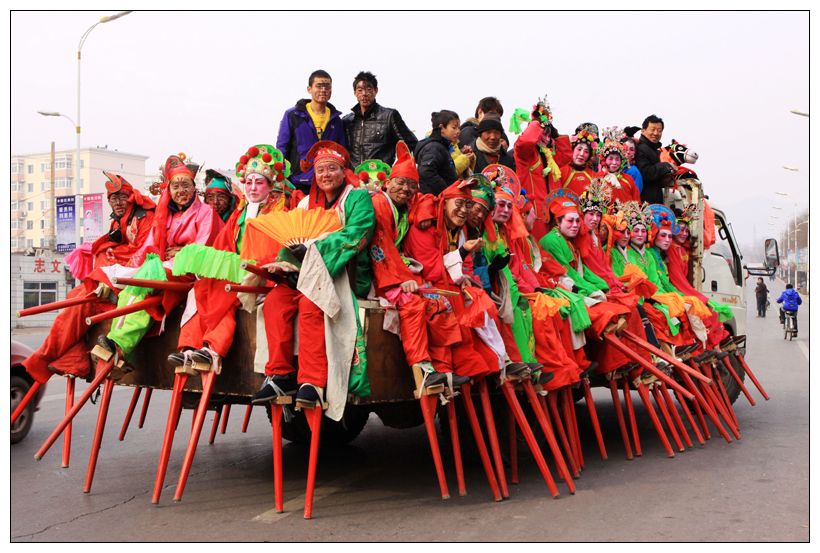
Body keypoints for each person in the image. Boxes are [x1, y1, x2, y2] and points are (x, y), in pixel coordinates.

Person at [253, 141, 375, 411]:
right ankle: (280, 375)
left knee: (311, 305)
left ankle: (311, 381)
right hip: (304, 273)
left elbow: (357, 234)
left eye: (332, 169)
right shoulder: (308, 202)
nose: (326, 175)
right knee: (275, 302)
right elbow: (291, 236)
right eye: (320, 171)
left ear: (343, 171)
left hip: (342, 272)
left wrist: (314, 251)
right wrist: (287, 265)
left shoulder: (358, 198)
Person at [21, 172, 156, 384]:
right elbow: (111, 252)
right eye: (113, 198)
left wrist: (109, 278)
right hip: (110, 284)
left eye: (122, 197)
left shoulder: (145, 217)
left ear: (131, 197)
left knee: (79, 303)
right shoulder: (118, 222)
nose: (118, 203)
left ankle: (42, 359)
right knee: (73, 303)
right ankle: (65, 359)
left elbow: (145, 255)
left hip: (132, 285)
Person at [169, 145, 292, 370]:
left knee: (224, 292)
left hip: (261, 277)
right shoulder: (239, 215)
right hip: (237, 273)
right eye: (249, 182)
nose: (253, 188)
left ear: (270, 184)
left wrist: (247, 267)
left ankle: (214, 349)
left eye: (259, 182)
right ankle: (188, 346)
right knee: (200, 287)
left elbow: (275, 252)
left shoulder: (279, 213)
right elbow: (222, 247)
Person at [95, 154, 224, 366]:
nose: (181, 191)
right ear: (169, 191)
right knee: (132, 286)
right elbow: (149, 247)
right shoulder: (165, 216)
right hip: (163, 269)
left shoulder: (206, 213)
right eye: (175, 186)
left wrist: (181, 253)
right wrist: (127, 273)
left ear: (194, 188)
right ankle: (116, 343)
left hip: (191, 273)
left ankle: (118, 344)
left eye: (185, 185)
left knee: (144, 278)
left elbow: (205, 248)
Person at [276, 69, 346, 194]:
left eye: (327, 86)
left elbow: (342, 151)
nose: (323, 90)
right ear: (309, 89)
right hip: (299, 181)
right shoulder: (293, 115)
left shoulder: (336, 120)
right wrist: (282, 177)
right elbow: (281, 148)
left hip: (328, 183)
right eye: (319, 86)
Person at [512, 97, 572, 240]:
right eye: (541, 132)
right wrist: (536, 123)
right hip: (533, 216)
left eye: (547, 133)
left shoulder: (549, 157)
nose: (544, 136)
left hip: (552, 216)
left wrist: (557, 136)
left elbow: (566, 156)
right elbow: (525, 141)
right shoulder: (526, 155)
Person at [342, 71, 417, 168]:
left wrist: (400, 171)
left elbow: (412, 145)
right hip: (354, 179)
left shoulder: (389, 116)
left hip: (381, 178)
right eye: (360, 90)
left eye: (369, 89)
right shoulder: (347, 121)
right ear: (355, 93)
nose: (364, 94)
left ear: (376, 90)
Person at [415, 110, 473, 195]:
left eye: (458, 128)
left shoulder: (443, 147)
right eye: (454, 127)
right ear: (441, 128)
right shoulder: (434, 147)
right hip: (434, 199)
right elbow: (426, 171)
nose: (458, 131)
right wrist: (446, 190)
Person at [635, 114, 676, 204]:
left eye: (659, 130)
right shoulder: (640, 148)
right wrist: (666, 166)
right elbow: (646, 173)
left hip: (654, 202)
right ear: (643, 130)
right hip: (644, 203)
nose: (656, 133)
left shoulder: (655, 150)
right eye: (652, 129)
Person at [598, 127, 640, 203]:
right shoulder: (597, 178)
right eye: (610, 159)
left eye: (617, 159)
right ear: (604, 159)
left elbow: (637, 202)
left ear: (622, 161)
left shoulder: (628, 179)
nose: (614, 163)